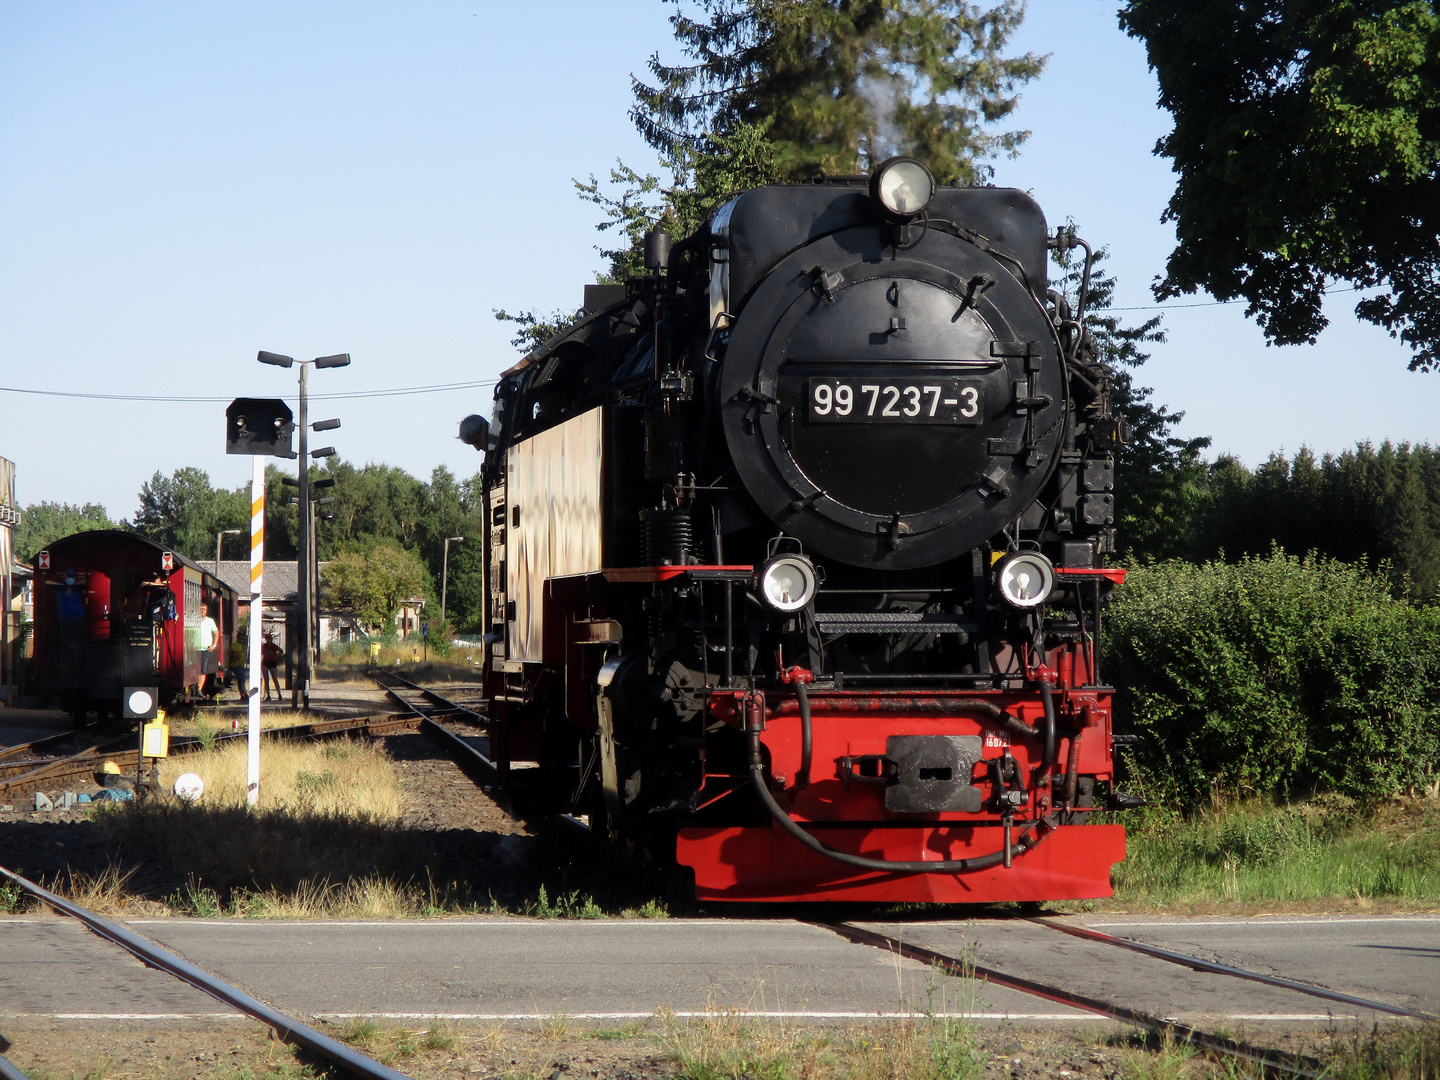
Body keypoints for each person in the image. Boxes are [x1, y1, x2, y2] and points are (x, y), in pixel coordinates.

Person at [198, 603, 219, 697]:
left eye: (204, 609)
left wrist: (214, 645)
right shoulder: (194, 620)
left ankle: (199, 689)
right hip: (194, 649)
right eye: (201, 609)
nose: (202, 611)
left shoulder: (210, 621)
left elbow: (216, 633)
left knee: (203, 670)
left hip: (205, 649)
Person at [261, 632, 282, 701]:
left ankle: (279, 694)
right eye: (267, 638)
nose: (268, 639)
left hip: (272, 662)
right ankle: (268, 695)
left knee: (275, 679)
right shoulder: (263, 646)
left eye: (269, 638)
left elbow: (281, 651)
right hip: (265, 662)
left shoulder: (274, 646)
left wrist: (277, 656)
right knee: (266, 679)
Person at [229, 633, 249, 702]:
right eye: (240, 637)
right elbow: (230, 653)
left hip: (240, 665)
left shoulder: (240, 645)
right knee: (242, 681)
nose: (241, 639)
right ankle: (245, 695)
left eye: (242, 638)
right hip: (236, 665)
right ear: (237, 638)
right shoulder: (235, 645)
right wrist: (234, 658)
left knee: (240, 681)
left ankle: (242, 695)